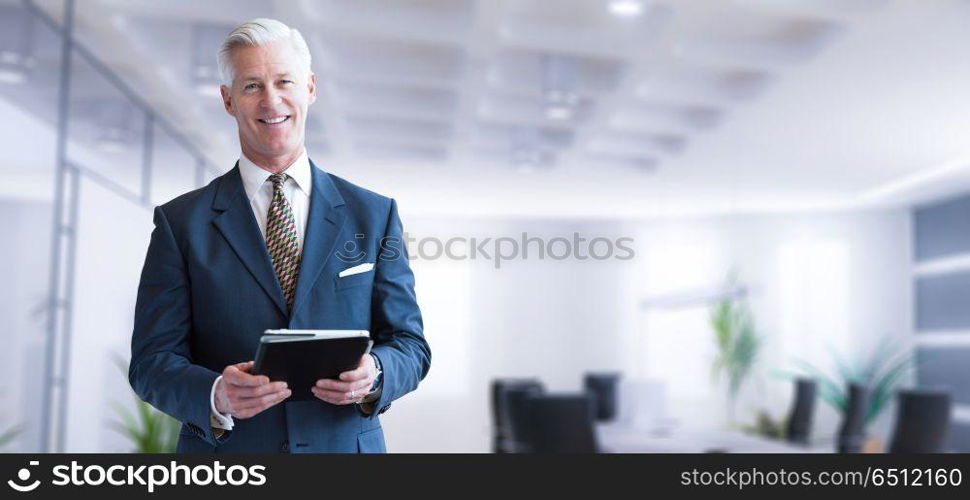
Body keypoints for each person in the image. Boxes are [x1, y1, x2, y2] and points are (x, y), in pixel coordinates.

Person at [128, 18, 430, 453]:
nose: (271, 100)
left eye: (283, 81)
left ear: (309, 87)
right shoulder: (180, 223)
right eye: (251, 86)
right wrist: (216, 394)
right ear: (228, 100)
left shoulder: (375, 215)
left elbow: (411, 345)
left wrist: (376, 373)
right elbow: (151, 363)